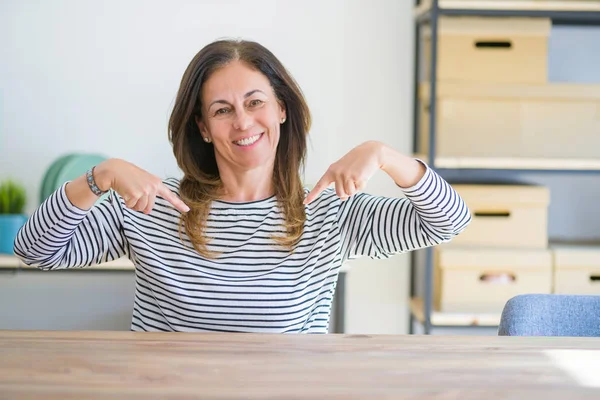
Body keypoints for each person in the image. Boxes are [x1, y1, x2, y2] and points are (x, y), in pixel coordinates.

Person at [14, 39, 471, 333]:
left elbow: (450, 221)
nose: (243, 122)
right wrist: (99, 177)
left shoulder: (331, 211)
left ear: (282, 111)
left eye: (256, 103)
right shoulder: (153, 206)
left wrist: (388, 156)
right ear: (203, 128)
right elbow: (35, 251)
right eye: (221, 110)